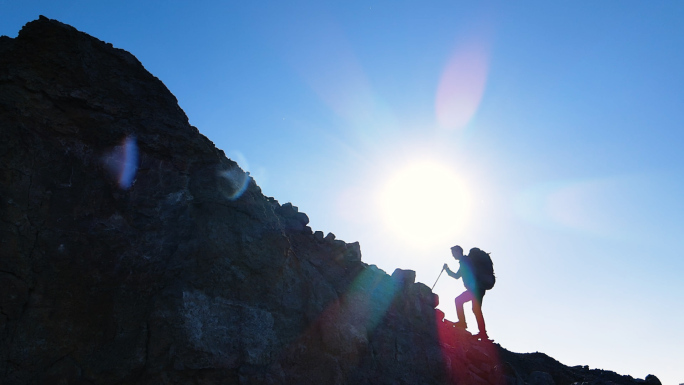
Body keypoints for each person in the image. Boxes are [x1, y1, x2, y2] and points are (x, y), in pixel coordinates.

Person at [443, 245, 490, 340]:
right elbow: (457, 276)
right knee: (475, 309)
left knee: (459, 301)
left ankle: (462, 323)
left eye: (453, 253)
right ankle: (483, 334)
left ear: (458, 251)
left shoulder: (465, 261)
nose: (453, 256)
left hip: (475, 289)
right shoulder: (464, 261)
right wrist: (447, 269)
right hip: (478, 288)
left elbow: (466, 274)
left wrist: (472, 287)